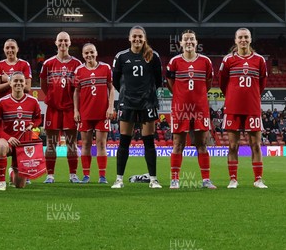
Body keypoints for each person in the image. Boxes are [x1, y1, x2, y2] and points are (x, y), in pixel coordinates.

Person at [111, 26, 163, 189]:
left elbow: (158, 80)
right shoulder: (121, 56)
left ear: (144, 38)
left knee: (149, 142)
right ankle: (119, 179)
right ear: (129, 38)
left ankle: (153, 179)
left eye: (140, 37)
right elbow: (115, 80)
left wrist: (146, 94)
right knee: (124, 141)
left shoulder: (153, 56)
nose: (137, 39)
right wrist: (129, 93)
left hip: (147, 103)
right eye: (134, 36)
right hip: (127, 103)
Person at [166, 29, 216, 189]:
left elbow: (208, 83)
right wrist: (182, 96)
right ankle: (175, 179)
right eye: (185, 39)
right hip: (181, 109)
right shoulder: (174, 62)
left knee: (202, 144)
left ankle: (206, 180)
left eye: (191, 39)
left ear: (196, 42)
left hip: (200, 109)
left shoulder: (206, 62)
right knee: (178, 144)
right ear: (180, 43)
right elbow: (170, 83)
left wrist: (198, 96)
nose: (189, 42)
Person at [219, 27, 268, 189]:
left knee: (255, 145)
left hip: (252, 109)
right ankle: (233, 179)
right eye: (240, 37)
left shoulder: (260, 60)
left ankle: (258, 180)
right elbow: (222, 83)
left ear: (250, 39)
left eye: (246, 37)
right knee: (233, 146)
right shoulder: (228, 60)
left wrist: (251, 96)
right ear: (235, 40)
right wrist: (233, 96)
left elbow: (262, 84)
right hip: (233, 108)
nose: (243, 40)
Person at [40, 31, 82, 183]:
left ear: (70, 43)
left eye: (66, 41)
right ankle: (50, 175)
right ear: (55, 43)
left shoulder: (77, 64)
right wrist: (52, 97)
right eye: (60, 41)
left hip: (70, 109)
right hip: (53, 108)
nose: (63, 43)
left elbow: (79, 88)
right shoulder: (48, 64)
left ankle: (73, 175)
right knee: (51, 143)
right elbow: (44, 86)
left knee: (71, 142)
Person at [73, 43, 115, 184]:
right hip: (85, 113)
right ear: (83, 55)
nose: (89, 55)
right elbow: (76, 92)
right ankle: (86, 176)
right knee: (85, 144)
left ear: (96, 53)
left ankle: (102, 176)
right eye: (86, 53)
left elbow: (111, 88)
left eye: (91, 52)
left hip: (102, 113)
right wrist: (76, 110)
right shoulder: (79, 71)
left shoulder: (105, 68)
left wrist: (110, 107)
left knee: (101, 144)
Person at [0, 72, 42, 191]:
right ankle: (2, 182)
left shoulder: (33, 101)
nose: (18, 83)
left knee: (19, 185)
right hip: (8, 142)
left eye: (21, 81)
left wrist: (33, 125)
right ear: (10, 83)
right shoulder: (2, 102)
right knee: (0, 145)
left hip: (24, 144)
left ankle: (12, 173)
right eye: (15, 81)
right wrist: (8, 138)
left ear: (25, 83)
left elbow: (38, 118)